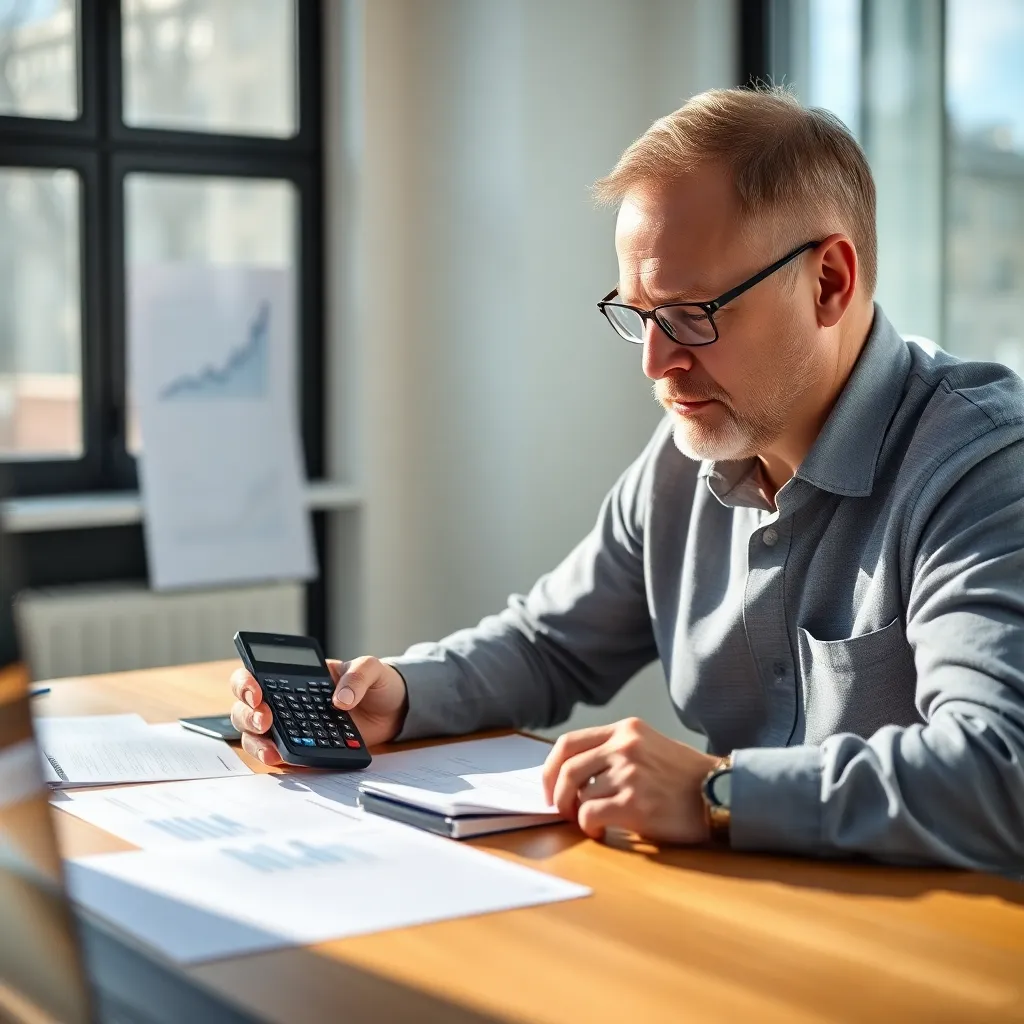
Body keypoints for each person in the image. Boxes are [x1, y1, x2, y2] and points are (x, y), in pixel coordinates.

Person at [230, 86, 1024, 873]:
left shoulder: (984, 467)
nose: (657, 363)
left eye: (690, 314)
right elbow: (551, 646)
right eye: (639, 315)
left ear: (829, 283)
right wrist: (401, 695)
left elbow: (1001, 770)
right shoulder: (688, 452)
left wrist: (719, 793)